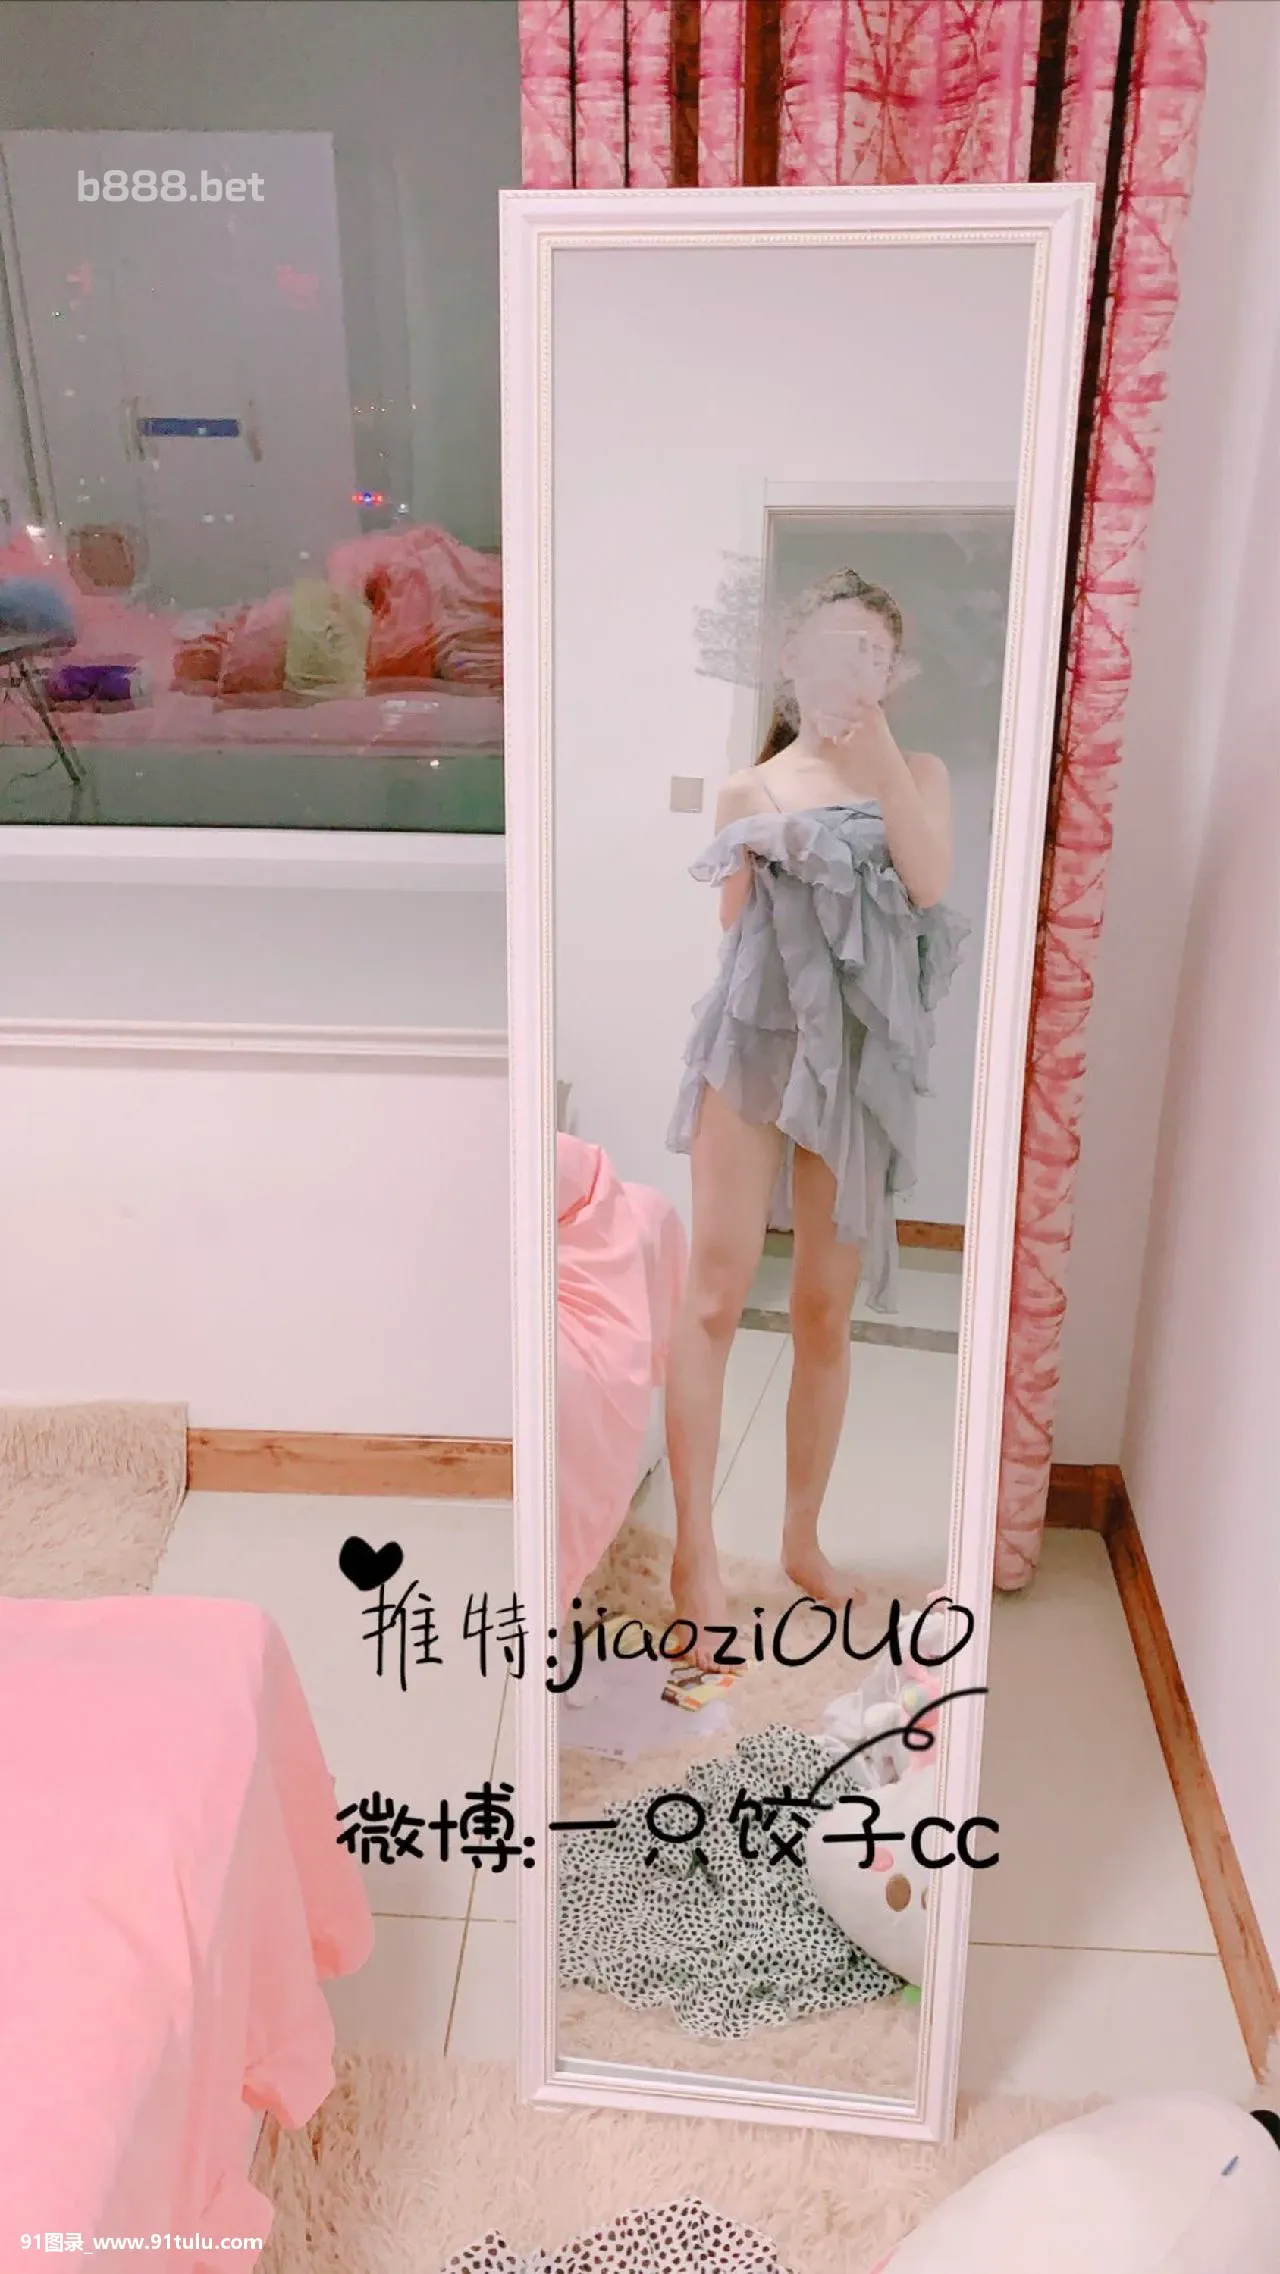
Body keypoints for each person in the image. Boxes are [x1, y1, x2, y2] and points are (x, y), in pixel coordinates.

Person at [664, 569, 967, 1666]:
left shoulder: (916, 773)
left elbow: (928, 884)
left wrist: (873, 746)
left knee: (825, 1312)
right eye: (838, 647)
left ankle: (801, 1541)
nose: (857, 666)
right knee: (713, 1294)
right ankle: (694, 1555)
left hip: (857, 1067)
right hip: (752, 1048)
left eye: (875, 651)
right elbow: (733, 933)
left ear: (893, 670)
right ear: (790, 661)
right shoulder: (747, 789)